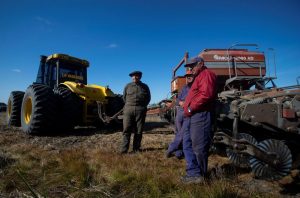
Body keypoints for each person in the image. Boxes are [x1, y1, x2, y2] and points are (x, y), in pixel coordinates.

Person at [181, 57, 217, 184]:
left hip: (200, 114)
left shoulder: (206, 74)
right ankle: (194, 172)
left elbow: (206, 94)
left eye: (193, 66)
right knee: (188, 143)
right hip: (193, 116)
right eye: (189, 67)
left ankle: (200, 175)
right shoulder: (199, 76)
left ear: (201, 64)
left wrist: (190, 108)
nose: (190, 69)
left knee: (199, 147)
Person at [120, 71, 151, 154]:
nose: (134, 77)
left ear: (140, 77)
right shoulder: (127, 86)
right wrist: (129, 106)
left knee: (138, 130)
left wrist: (142, 107)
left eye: (136, 76)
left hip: (140, 110)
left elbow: (148, 98)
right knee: (126, 130)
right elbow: (124, 98)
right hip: (128, 110)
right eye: (133, 76)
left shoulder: (145, 87)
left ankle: (136, 149)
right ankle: (124, 150)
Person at [166, 70, 194, 159]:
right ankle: (179, 152)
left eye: (190, 75)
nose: (188, 77)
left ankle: (171, 149)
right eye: (187, 76)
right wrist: (180, 102)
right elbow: (177, 100)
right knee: (178, 132)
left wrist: (186, 103)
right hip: (180, 112)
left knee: (183, 133)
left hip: (188, 112)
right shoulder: (184, 88)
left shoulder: (196, 87)